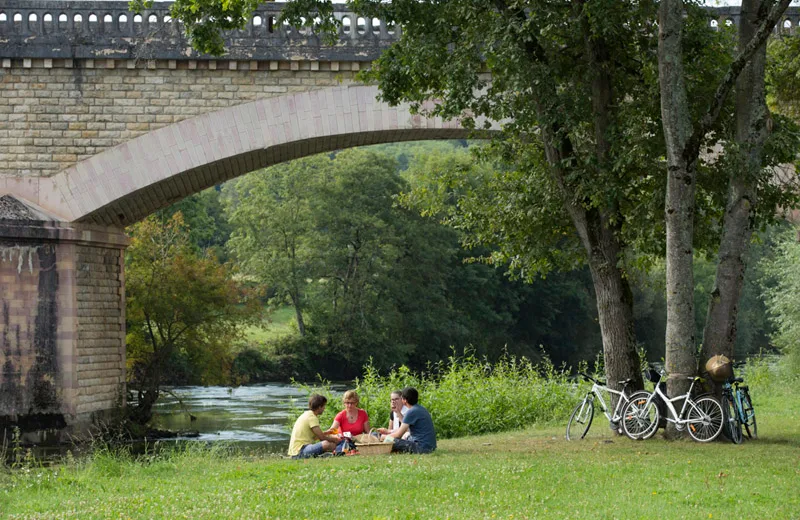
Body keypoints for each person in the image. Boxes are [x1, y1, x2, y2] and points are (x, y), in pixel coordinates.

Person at [385, 387, 436, 454]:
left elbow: (398, 435)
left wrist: (384, 437)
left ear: (404, 400)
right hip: (430, 446)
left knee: (390, 440)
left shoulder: (411, 412)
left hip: (421, 448)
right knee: (406, 436)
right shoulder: (421, 408)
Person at [288, 394, 340, 459]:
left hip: (296, 451)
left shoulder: (307, 414)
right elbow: (322, 438)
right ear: (319, 407)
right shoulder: (312, 417)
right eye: (324, 406)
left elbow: (315, 437)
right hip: (300, 450)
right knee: (327, 444)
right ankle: (339, 452)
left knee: (328, 444)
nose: (324, 408)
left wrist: (327, 432)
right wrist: (335, 440)